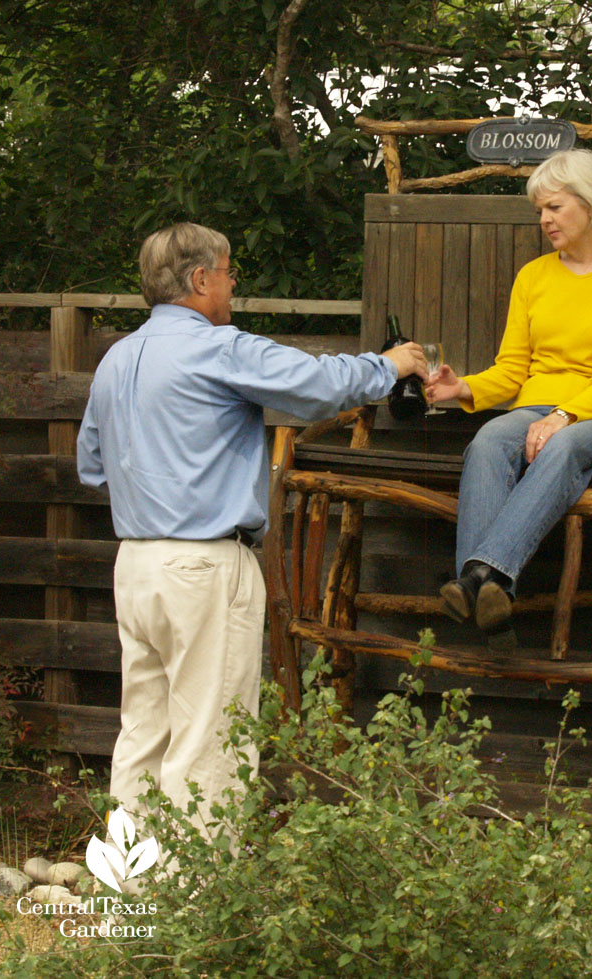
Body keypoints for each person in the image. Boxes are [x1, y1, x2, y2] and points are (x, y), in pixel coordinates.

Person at [77, 222, 426, 825]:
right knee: (210, 741)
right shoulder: (219, 347)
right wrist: (389, 364)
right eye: (230, 270)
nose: (234, 283)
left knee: (143, 734)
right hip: (205, 564)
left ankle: (133, 891)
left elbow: (91, 465)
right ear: (200, 278)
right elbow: (318, 387)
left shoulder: (115, 359)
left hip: (135, 563)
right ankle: (197, 904)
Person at [425, 149, 592, 634]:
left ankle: (476, 575)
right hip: (536, 408)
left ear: (589, 204)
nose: (545, 220)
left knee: (565, 443)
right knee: (489, 438)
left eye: (554, 207)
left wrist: (563, 417)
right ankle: (487, 589)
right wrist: (461, 387)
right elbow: (512, 370)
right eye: (540, 212)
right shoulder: (534, 276)